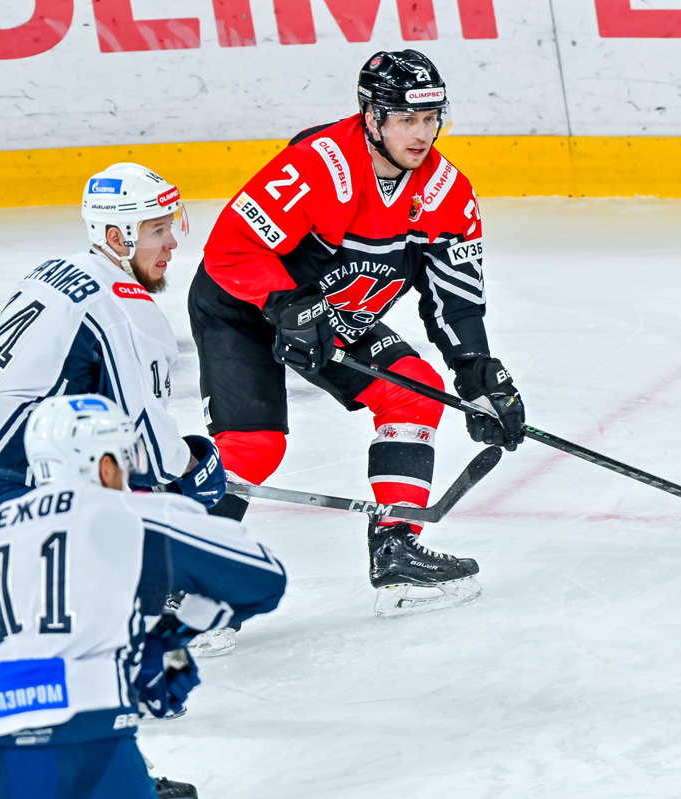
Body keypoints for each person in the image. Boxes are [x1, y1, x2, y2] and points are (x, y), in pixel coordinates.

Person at [189, 49, 526, 618]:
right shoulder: (320, 164)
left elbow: (455, 297)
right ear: (373, 117)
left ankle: (397, 548)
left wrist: (475, 372)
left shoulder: (446, 191)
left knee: (414, 391)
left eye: (431, 118)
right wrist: (287, 306)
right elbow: (233, 248)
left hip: (331, 315)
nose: (422, 134)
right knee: (254, 446)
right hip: (241, 306)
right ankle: (177, 580)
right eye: (406, 119)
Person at [0, 394, 287, 799]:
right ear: (104, 465)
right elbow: (263, 578)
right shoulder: (125, 514)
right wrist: (170, 635)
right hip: (82, 733)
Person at [0, 163, 225, 544]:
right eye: (158, 230)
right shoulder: (125, 309)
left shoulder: (53, 270)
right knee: (121, 559)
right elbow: (151, 454)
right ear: (117, 238)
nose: (172, 242)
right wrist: (193, 466)